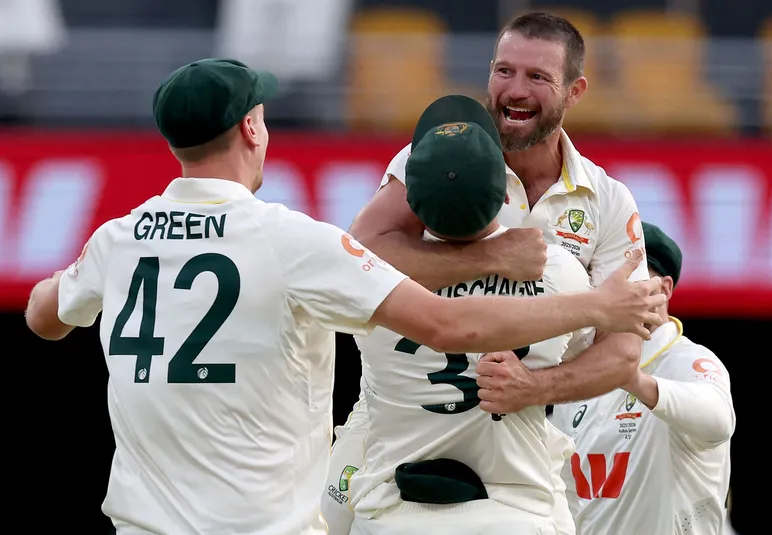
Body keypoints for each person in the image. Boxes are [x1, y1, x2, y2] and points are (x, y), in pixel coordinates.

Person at [22, 58, 667, 535]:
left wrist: (66, 280)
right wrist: (595, 307)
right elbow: (447, 323)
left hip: (140, 525)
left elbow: (43, 318)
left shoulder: (117, 239)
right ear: (251, 129)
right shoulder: (295, 242)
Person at [324, 13, 657, 532]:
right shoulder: (440, 156)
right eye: (504, 71)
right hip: (392, 428)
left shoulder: (609, 200)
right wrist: (491, 258)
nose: (515, 91)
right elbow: (358, 255)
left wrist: (535, 386)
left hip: (523, 435)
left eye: (538, 77)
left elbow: (623, 353)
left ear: (575, 91)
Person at [346, 95, 591, 535]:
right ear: (504, 192)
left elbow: (362, 248)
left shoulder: (370, 284)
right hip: (516, 514)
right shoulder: (562, 273)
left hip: (394, 514)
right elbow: (587, 352)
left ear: (411, 201)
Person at [548, 223, 736, 535]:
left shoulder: (687, 361)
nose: (612, 292)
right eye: (600, 278)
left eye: (629, 279)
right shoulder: (582, 372)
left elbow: (718, 421)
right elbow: (566, 495)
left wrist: (634, 379)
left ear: (663, 289)